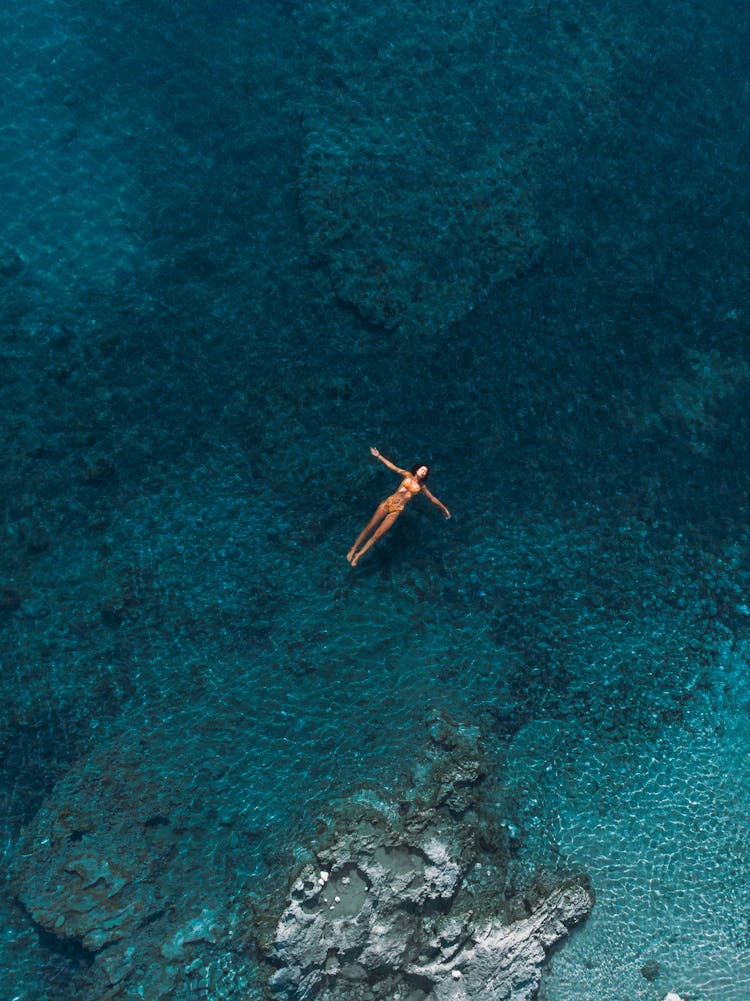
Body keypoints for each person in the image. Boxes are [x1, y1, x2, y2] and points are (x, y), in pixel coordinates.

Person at [346, 446, 451, 567]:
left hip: (396, 511)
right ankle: (353, 549)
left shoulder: (422, 486)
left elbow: (432, 499)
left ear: (425, 475)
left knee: (377, 535)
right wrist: (379, 456)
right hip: (388, 503)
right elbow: (393, 467)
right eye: (422, 469)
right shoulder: (407, 475)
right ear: (417, 469)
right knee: (370, 526)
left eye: (425, 472)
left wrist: (444, 509)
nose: (423, 472)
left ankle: (359, 555)